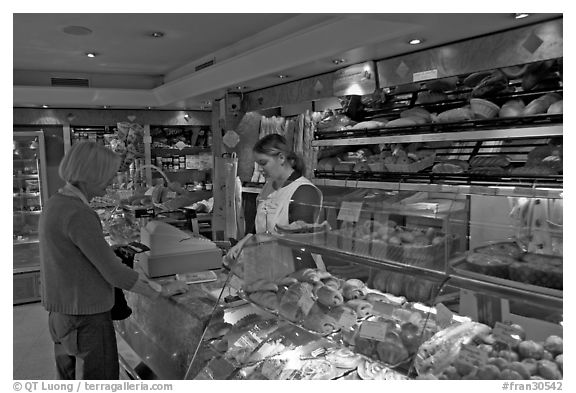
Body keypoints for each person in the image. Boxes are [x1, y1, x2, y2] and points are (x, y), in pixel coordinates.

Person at [38, 142, 184, 380]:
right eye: (108, 174)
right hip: (85, 317)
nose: (112, 181)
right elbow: (115, 274)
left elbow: (69, 256)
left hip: (61, 314)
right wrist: (162, 290)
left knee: (69, 378)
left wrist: (108, 249)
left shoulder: (56, 202)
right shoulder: (79, 213)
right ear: (90, 174)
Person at [227, 134, 323, 266]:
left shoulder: (304, 191)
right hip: (273, 267)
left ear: (281, 158)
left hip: (301, 268)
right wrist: (242, 243)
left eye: (263, 163)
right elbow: (258, 229)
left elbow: (298, 241)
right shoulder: (268, 187)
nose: (260, 169)